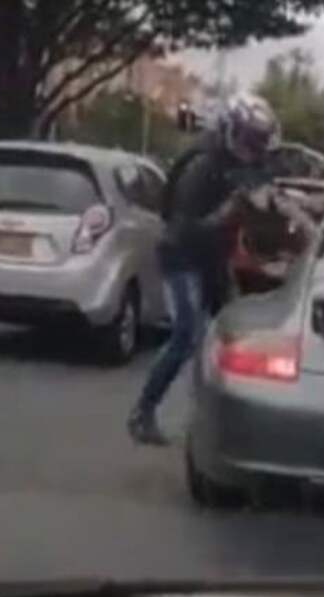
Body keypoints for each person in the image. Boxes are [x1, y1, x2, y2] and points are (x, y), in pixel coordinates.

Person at [127, 94, 281, 446]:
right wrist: (231, 210)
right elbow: (184, 227)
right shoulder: (201, 166)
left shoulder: (242, 164)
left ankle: (220, 416)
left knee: (233, 334)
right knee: (185, 334)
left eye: (258, 141)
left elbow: (262, 203)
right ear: (228, 130)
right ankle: (143, 411)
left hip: (213, 258)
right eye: (246, 138)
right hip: (182, 257)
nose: (252, 147)